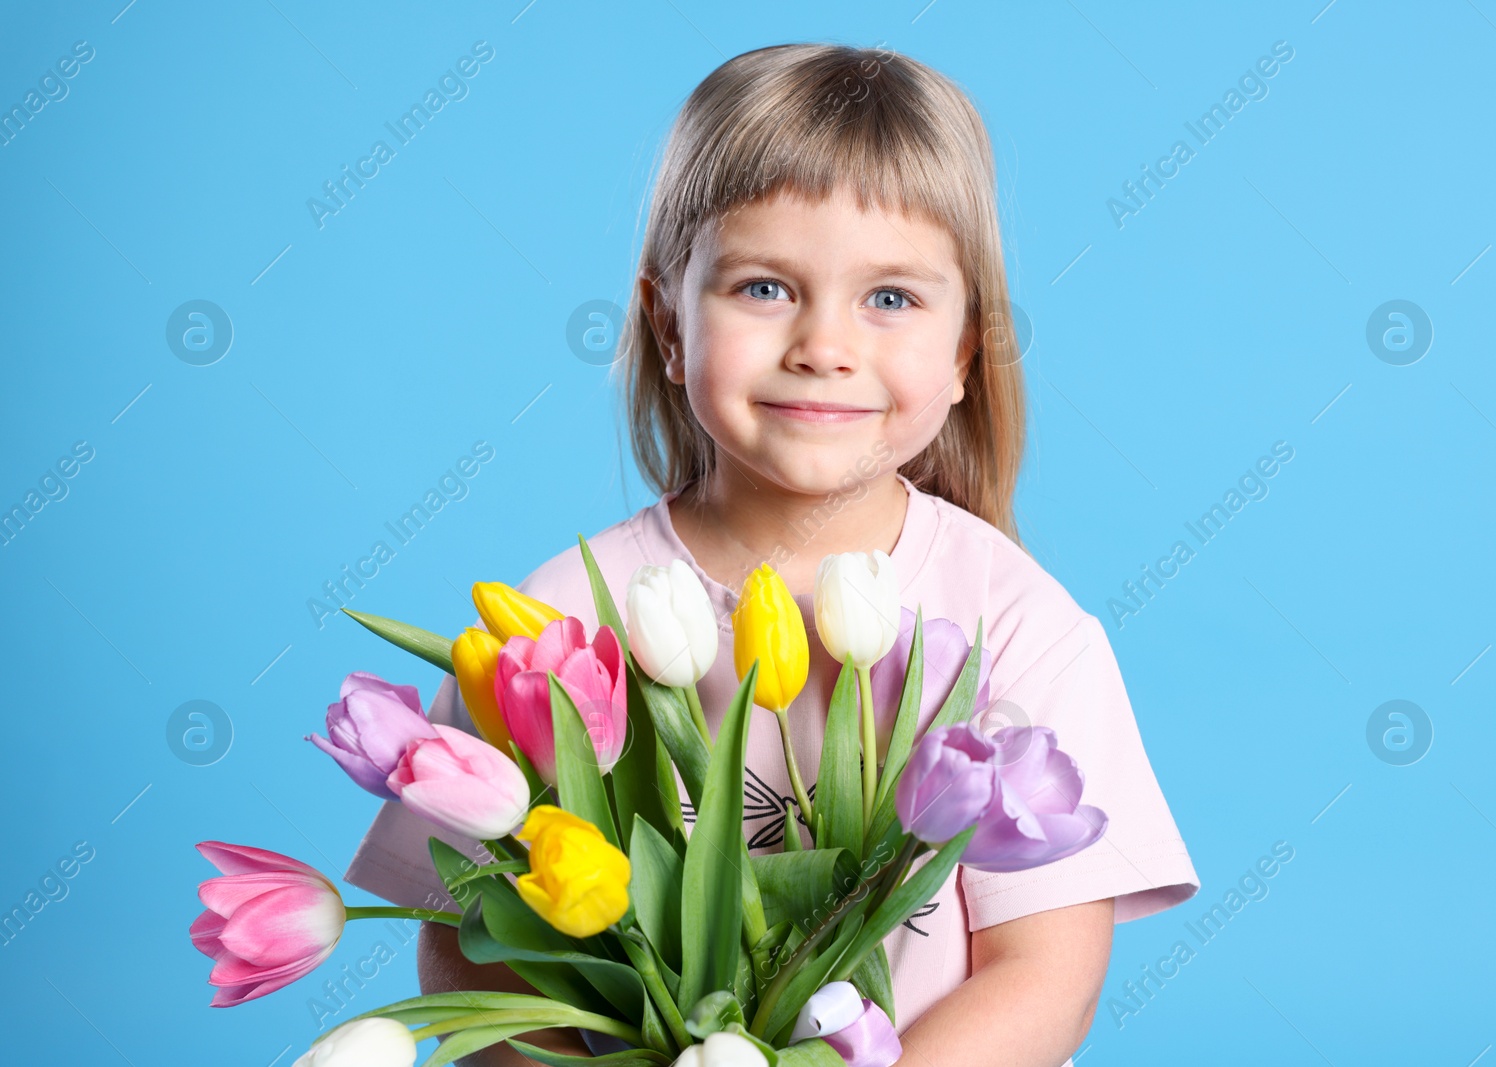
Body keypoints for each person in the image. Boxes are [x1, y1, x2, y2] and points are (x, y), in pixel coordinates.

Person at [342, 42, 1199, 1067]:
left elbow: (1043, 971)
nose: (822, 345)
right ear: (667, 323)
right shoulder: (561, 617)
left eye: (890, 298)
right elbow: (467, 937)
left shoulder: (1012, 624)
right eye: (762, 288)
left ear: (967, 353)